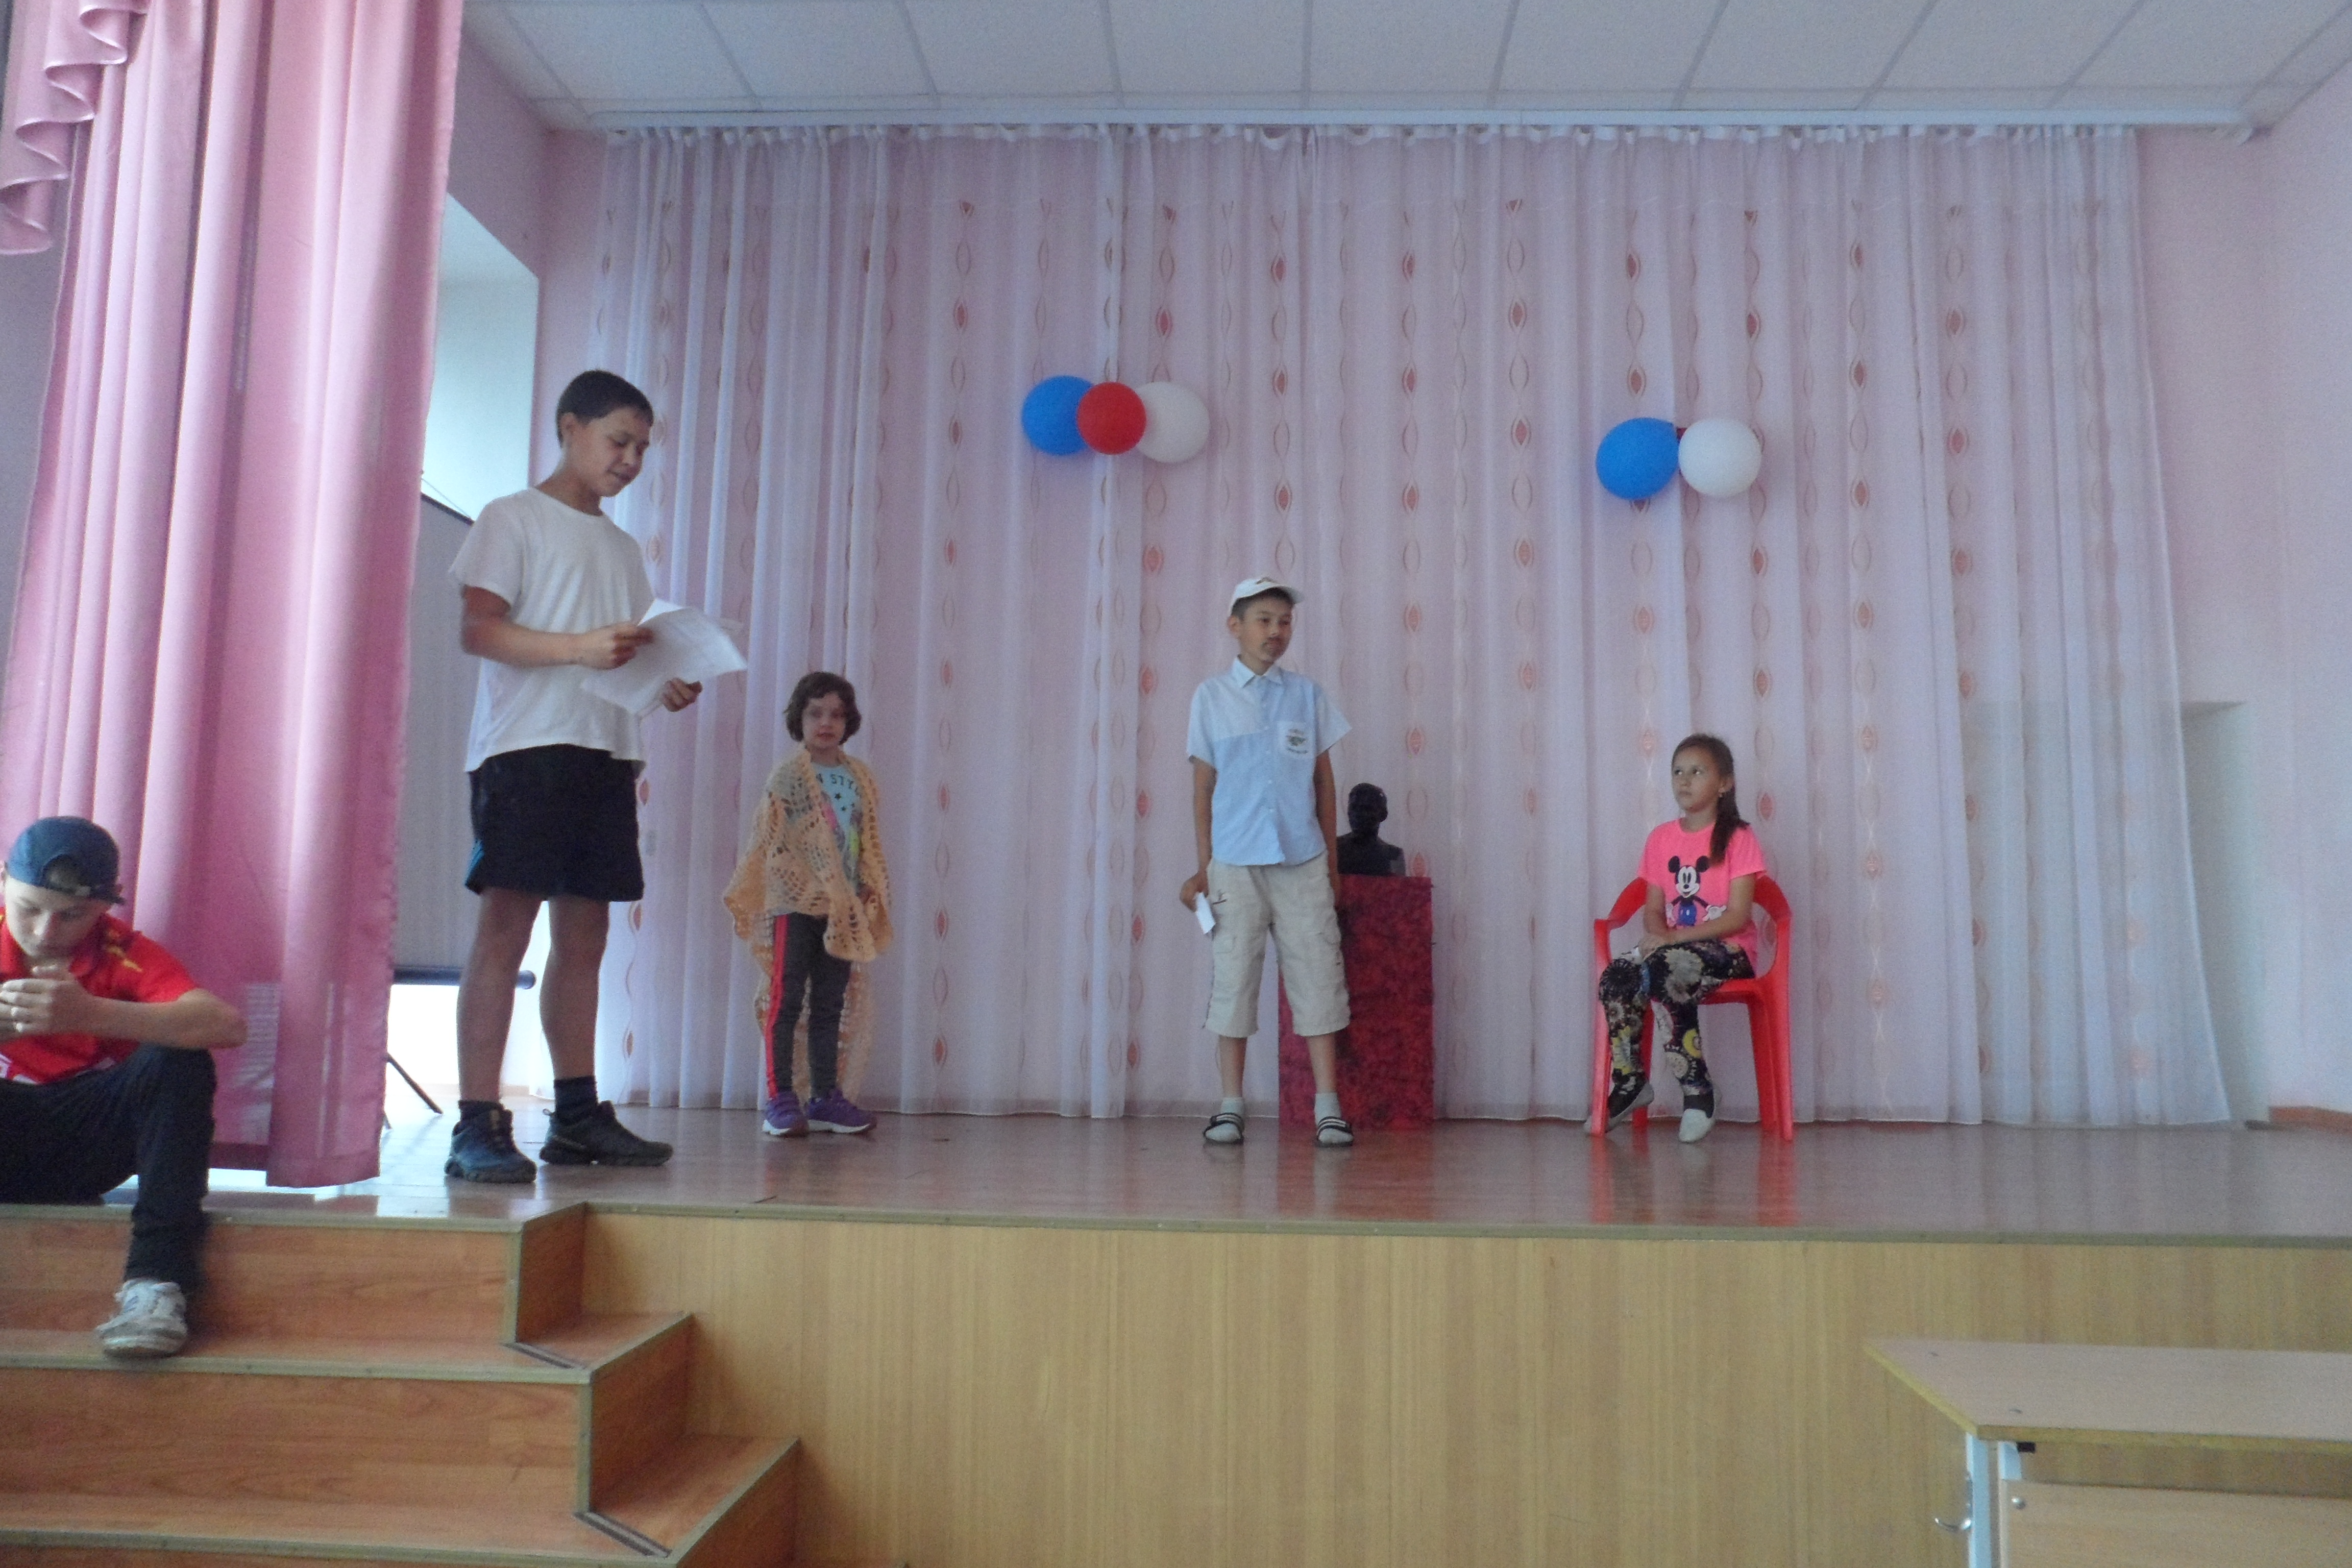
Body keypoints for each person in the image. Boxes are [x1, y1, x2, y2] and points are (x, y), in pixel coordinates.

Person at [445, 370, 700, 1183]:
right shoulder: (511, 517)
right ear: (570, 428)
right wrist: (578, 649)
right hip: (525, 749)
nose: (630, 460)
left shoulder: (623, 549)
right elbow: (480, 631)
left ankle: (577, 1115)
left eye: (642, 448)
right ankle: (476, 1121)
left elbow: (620, 655)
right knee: (506, 929)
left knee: (586, 937)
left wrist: (663, 681)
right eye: (619, 441)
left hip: (606, 750)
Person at [0, 818, 246, 1356]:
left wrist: (89, 1013)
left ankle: (155, 1283)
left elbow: (226, 1025)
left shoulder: (124, 952)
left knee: (178, 1058)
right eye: (29, 908)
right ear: (2, 882)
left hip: (86, 1142)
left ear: (105, 905)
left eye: (71, 916)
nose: (45, 931)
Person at [1181, 577, 1354, 1148]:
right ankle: (1231, 1105)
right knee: (1233, 980)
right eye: (1264, 620)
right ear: (1235, 626)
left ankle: (1328, 1106)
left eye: (1284, 621)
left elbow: (1324, 783)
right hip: (1234, 863)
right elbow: (1203, 788)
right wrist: (1205, 866)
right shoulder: (1211, 697)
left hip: (1302, 861)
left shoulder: (1306, 695)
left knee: (1319, 976)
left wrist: (1331, 865)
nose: (1276, 631)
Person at [724, 672, 894, 1138]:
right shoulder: (788, 777)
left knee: (830, 1003)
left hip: (842, 909)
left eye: (837, 715)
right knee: (786, 999)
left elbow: (864, 842)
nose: (826, 723)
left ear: (848, 722)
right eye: (816, 713)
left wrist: (866, 886)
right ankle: (780, 1098)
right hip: (794, 905)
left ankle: (824, 1097)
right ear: (799, 720)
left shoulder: (860, 777)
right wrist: (798, 883)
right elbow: (772, 842)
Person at [1597, 733, 1766, 1144]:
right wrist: (1659, 936)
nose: (1685, 780)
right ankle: (1630, 1082)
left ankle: (1697, 1089)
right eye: (1678, 771)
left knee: (1665, 972)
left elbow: (1738, 917)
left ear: (1724, 783)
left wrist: (1675, 939)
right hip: (1674, 947)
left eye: (1697, 772)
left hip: (1728, 951)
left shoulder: (1739, 838)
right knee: (1617, 975)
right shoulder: (1660, 839)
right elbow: (1654, 908)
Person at [1335, 781, 1406, 877]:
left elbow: (1398, 886)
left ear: (1383, 815)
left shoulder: (1393, 855)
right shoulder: (1334, 848)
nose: (1358, 814)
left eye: (1366, 809)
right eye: (1354, 808)